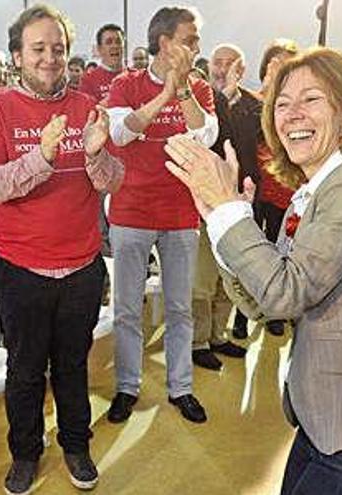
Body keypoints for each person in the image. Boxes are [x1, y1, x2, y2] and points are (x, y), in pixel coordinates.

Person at [165, 46, 342, 495]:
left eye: (311, 100)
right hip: (326, 416)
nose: (291, 114)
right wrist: (223, 219)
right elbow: (265, 302)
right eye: (282, 103)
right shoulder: (319, 190)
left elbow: (285, 292)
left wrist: (229, 212)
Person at [0, 5, 124, 493]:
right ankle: (25, 453)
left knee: (74, 366)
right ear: (17, 55)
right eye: (38, 48)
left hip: (80, 266)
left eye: (58, 48)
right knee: (24, 370)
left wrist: (97, 153)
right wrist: (42, 156)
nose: (50, 57)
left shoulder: (85, 108)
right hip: (20, 269)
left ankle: (76, 445)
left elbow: (113, 182)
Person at [104, 5, 217, 425]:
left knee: (179, 307)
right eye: (190, 39)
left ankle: (181, 387)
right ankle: (127, 387)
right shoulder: (125, 84)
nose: (196, 48)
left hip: (180, 213)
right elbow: (120, 132)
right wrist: (163, 95)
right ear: (165, 42)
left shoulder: (199, 87)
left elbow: (205, 135)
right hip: (131, 211)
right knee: (128, 309)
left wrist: (183, 89)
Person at [189, 42, 258, 370]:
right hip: (206, 202)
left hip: (240, 202)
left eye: (231, 63)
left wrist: (233, 100)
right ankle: (198, 341)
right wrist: (222, 100)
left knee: (227, 276)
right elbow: (207, 139)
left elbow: (253, 142)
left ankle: (219, 335)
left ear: (242, 70)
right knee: (202, 277)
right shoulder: (198, 100)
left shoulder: (252, 105)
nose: (222, 69)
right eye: (218, 62)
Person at [231, 38, 299, 339]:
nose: (280, 66)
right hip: (253, 188)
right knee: (249, 252)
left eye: (286, 62)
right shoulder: (251, 102)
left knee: (277, 251)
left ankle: (274, 311)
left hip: (285, 188)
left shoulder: (296, 105)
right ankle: (243, 316)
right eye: (275, 62)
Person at [78, 23, 125, 104]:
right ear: (100, 49)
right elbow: (87, 110)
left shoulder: (135, 77)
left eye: (118, 42)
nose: (115, 46)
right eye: (109, 42)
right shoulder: (88, 80)